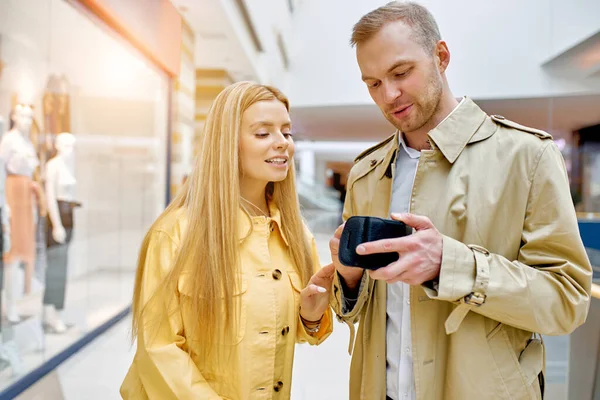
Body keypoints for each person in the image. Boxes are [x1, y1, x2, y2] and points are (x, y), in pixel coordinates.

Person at [328, 2, 592, 399]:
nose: (389, 94)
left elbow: (567, 300)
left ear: (441, 56)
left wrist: (450, 266)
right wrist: (346, 280)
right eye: (373, 83)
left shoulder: (527, 156)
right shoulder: (367, 172)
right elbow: (364, 307)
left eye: (401, 73)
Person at [121, 81, 334, 399]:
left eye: (286, 132)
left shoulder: (295, 234)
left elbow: (298, 333)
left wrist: (310, 314)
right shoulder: (175, 234)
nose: (282, 143)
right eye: (263, 133)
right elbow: (159, 350)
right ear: (227, 143)